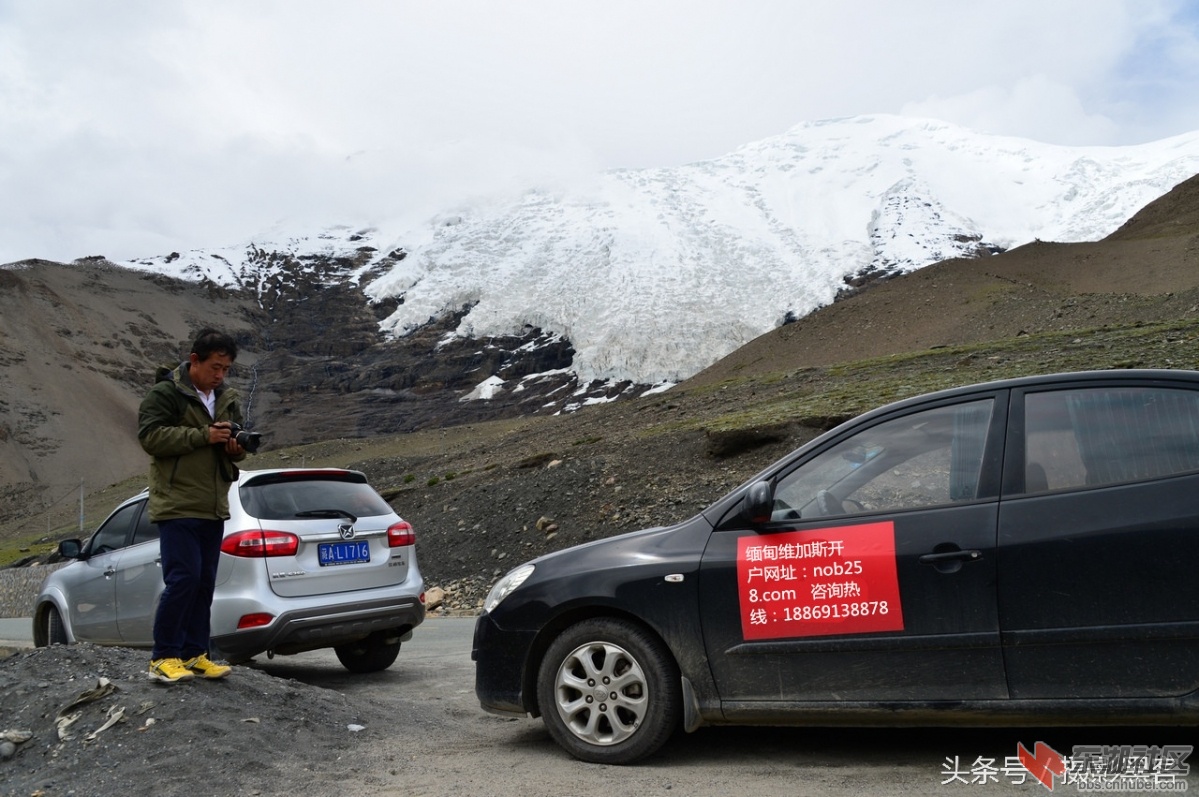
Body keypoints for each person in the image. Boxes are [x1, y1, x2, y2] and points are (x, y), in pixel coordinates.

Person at [137, 328, 251, 683]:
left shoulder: (226, 398)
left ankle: (195, 653)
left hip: (212, 503)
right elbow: (150, 437)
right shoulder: (166, 393)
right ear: (195, 361)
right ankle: (163, 657)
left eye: (226, 369)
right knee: (182, 580)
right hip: (177, 503)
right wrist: (203, 435)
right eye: (215, 367)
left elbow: (236, 442)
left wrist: (235, 447)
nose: (220, 375)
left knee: (204, 582)